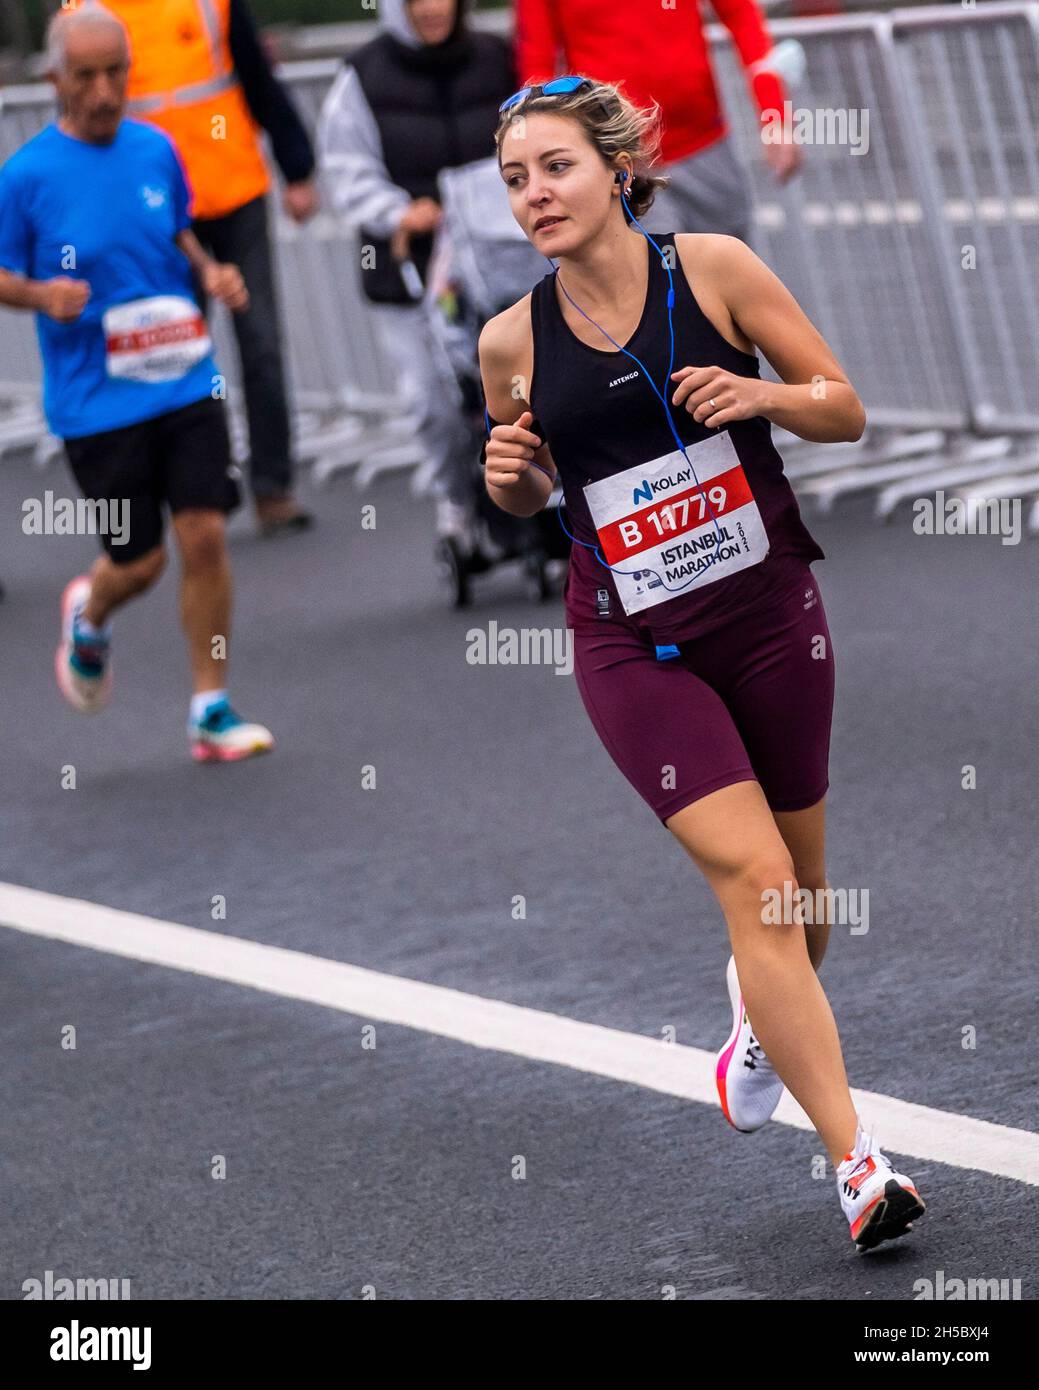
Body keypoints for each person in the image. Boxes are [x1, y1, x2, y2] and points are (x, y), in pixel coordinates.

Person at [479, 77, 926, 1251]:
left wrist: (760, 392)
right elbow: (534, 492)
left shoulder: (715, 269)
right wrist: (511, 480)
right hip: (631, 641)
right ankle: (858, 1165)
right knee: (756, 879)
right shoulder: (510, 341)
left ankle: (753, 1016)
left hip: (769, 610)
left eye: (556, 167)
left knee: (800, 901)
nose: (536, 193)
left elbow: (844, 408)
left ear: (616, 166)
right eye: (516, 177)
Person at [0, 3, 274, 762]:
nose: (102, 89)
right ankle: (91, 615)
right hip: (96, 401)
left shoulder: (155, 148)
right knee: (142, 560)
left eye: (114, 72)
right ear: (55, 77)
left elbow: (177, 226)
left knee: (207, 536)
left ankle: (210, 708)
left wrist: (212, 270)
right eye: (84, 76)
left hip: (185, 379)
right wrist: (39, 296)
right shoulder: (24, 178)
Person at [62, 0, 317, 537]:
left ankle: (273, 487)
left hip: (234, 190)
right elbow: (76, 112)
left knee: (262, 343)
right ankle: (202, 490)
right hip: (155, 212)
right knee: (178, 352)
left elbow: (255, 75)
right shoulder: (88, 14)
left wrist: (297, 167)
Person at [318, 0, 515, 553]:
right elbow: (345, 170)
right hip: (412, 269)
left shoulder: (498, 57)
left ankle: (550, 497)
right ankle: (455, 499)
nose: (431, 8)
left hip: (497, 264)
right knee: (435, 404)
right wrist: (397, 211)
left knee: (524, 389)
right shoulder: (361, 76)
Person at [514, 0, 802, 244]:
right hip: (623, 162)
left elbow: (742, 16)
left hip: (704, 145)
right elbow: (537, 62)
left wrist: (774, 115)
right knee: (663, 294)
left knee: (739, 289)